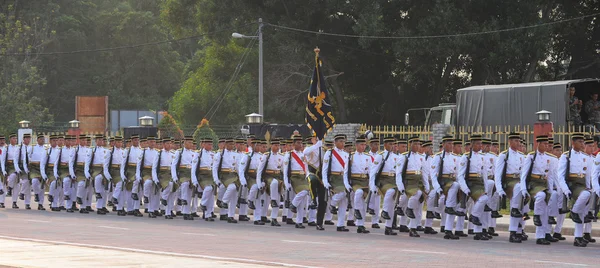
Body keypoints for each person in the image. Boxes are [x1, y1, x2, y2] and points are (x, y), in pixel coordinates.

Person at [520, 136, 557, 245]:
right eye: (544, 144)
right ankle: (536, 215)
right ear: (538, 144)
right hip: (534, 184)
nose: (546, 146)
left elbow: (549, 176)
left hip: (544, 184)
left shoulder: (549, 158)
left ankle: (541, 236)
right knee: (540, 197)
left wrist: (550, 190)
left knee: (545, 211)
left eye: (547, 144)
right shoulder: (531, 156)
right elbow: (524, 174)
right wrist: (523, 189)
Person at [557, 133, 589, 247]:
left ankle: (578, 237)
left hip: (583, 183)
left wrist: (589, 186)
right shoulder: (566, 156)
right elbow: (560, 176)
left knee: (582, 210)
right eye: (580, 142)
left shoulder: (585, 156)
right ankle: (573, 211)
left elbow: (587, 175)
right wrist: (566, 190)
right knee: (585, 195)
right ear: (573, 143)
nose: (582, 144)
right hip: (573, 185)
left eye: (583, 142)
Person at [494, 133, 526, 243]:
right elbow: (497, 174)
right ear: (510, 142)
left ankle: (520, 229)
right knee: (515, 206)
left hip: (520, 182)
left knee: (524, 208)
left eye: (519, 141)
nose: (518, 143)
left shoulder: (522, 156)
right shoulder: (504, 155)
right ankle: (513, 233)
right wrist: (499, 189)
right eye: (516, 141)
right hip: (509, 182)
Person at [369, 136, 401, 235]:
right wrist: (372, 185)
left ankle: (388, 227)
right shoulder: (380, 156)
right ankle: (384, 211)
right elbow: (373, 171)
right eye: (390, 144)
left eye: (393, 144)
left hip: (393, 180)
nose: (392, 146)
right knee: (391, 191)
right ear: (385, 145)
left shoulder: (396, 157)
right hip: (383, 180)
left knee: (392, 204)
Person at [322, 134, 351, 232]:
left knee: (344, 202)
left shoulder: (346, 154)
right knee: (342, 193)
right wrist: (325, 181)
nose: (343, 144)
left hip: (343, 178)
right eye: (340, 141)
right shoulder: (329, 153)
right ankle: (332, 204)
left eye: (343, 142)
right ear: (335, 142)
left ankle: (340, 225)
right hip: (334, 178)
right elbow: (324, 169)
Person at [345, 136, 371, 234]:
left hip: (364, 180)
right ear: (356, 145)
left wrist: (371, 183)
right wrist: (347, 184)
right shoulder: (350, 156)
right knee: (359, 192)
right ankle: (356, 209)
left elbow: (370, 171)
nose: (363, 147)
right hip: (355, 180)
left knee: (363, 204)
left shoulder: (367, 157)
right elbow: (345, 172)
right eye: (361, 144)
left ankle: (361, 225)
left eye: (364, 145)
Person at [256, 138, 284, 227]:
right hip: (268, 177)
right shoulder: (266, 156)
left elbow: (283, 169)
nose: (277, 147)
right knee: (274, 183)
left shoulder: (281, 156)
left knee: (279, 197)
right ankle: (273, 200)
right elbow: (260, 170)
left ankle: (274, 218)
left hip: (278, 177)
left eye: (278, 145)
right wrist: (259, 182)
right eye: (275, 145)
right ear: (271, 146)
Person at [212, 138, 239, 223]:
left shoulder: (236, 154)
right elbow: (215, 168)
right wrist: (216, 179)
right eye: (230, 144)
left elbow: (238, 167)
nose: (232, 146)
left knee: (234, 195)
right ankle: (224, 201)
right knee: (232, 187)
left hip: (234, 175)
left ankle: (230, 215)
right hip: (224, 175)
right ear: (226, 145)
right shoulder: (220, 154)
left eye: (233, 144)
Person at [28, 134, 47, 210]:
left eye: (43, 139)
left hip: (43, 168)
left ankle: (40, 204)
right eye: (41, 139)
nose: (42, 140)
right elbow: (27, 157)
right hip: (34, 168)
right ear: (37, 140)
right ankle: (36, 194)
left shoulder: (46, 149)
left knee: (42, 187)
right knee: (34, 181)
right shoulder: (32, 148)